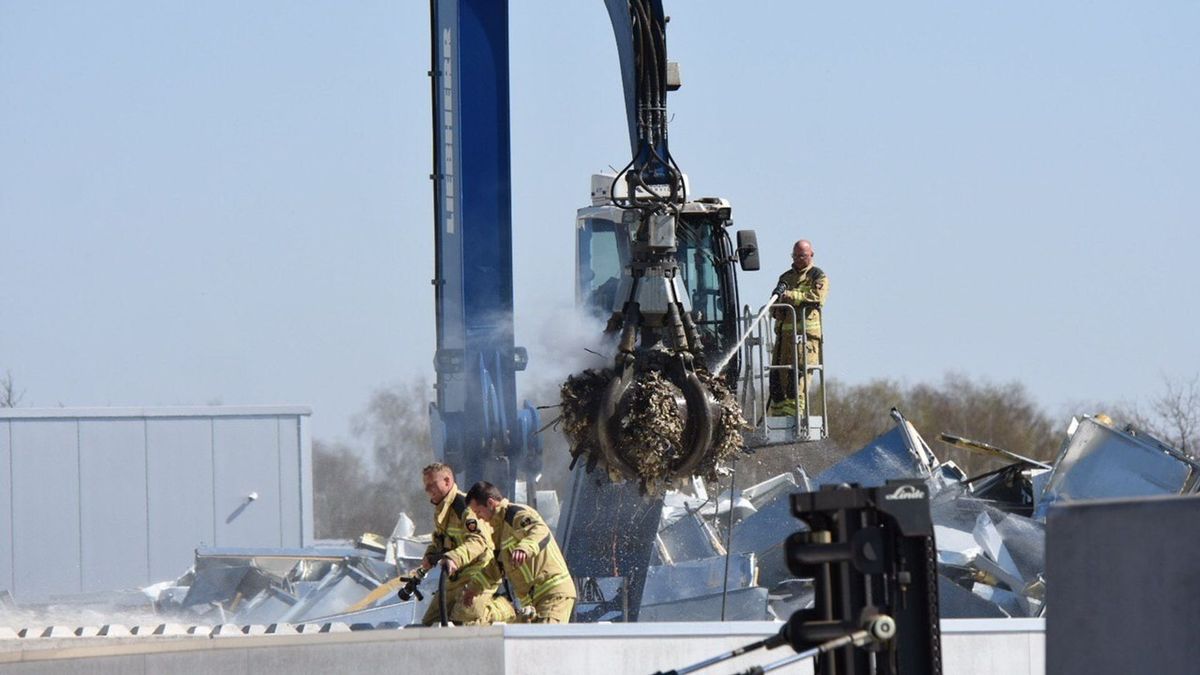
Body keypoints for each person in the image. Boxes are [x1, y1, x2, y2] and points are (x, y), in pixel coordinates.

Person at [464, 481, 576, 624]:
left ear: (490, 503)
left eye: (479, 512)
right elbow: (496, 567)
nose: (479, 518)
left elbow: (539, 530)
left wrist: (524, 548)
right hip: (534, 602)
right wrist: (473, 589)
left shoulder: (516, 514)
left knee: (545, 636)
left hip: (553, 594)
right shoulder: (499, 531)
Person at [418, 463, 515, 626]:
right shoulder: (443, 510)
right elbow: (443, 540)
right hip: (455, 577)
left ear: (447, 481)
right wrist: (430, 554)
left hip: (478, 573)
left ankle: (505, 609)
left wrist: (454, 558)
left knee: (465, 619)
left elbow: (479, 541)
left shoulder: (464, 508)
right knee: (431, 623)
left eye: (432, 485)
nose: (428, 490)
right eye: (426, 486)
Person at [768, 239, 828, 417]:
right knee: (778, 382)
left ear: (811, 255)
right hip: (783, 340)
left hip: (805, 341)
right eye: (795, 256)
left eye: (802, 256)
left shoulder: (817, 276)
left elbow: (818, 297)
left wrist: (793, 296)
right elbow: (774, 305)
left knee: (798, 381)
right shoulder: (785, 278)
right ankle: (778, 421)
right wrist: (777, 304)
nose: (798, 259)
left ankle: (794, 420)